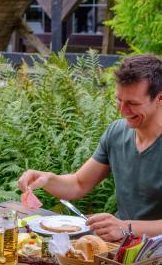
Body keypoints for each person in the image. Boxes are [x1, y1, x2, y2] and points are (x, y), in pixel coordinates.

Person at [18, 54, 162, 242]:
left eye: (133, 103)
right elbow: (79, 183)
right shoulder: (116, 133)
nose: (122, 110)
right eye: (119, 100)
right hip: (123, 250)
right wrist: (46, 179)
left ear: (160, 98)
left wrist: (126, 227)